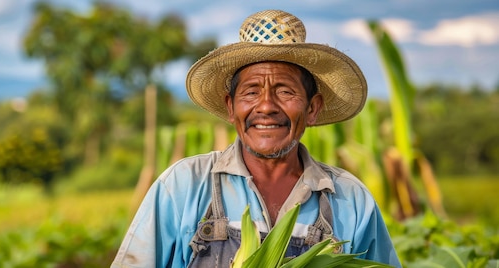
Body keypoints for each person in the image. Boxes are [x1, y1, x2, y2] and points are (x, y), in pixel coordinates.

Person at [112, 9, 401, 268]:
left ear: (312, 108)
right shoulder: (183, 186)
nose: (266, 106)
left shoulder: (351, 200)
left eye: (285, 91)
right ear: (230, 107)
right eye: (251, 92)